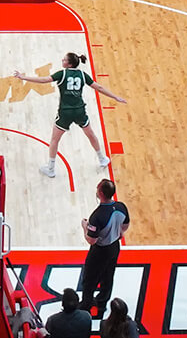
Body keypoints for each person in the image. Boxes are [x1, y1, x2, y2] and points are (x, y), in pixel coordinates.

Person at [13, 53, 126, 176]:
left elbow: (44, 80)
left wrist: (23, 77)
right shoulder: (83, 75)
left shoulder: (62, 74)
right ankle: (102, 159)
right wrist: (115, 97)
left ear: (70, 64)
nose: (62, 60)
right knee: (91, 134)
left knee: (55, 140)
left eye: (65, 59)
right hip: (79, 110)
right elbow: (99, 87)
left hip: (65, 112)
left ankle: (51, 168)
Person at [79, 179, 129, 316]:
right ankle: (102, 303)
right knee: (108, 276)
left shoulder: (97, 216)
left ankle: (86, 305)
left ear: (100, 193)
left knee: (89, 279)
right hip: (114, 247)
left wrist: (84, 227)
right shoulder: (121, 207)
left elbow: (92, 240)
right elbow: (125, 225)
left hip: (100, 251)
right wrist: (118, 233)